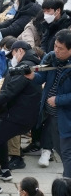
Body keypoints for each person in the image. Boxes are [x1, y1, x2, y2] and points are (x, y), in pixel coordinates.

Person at [0, 40, 42, 193]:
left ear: (19, 51)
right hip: (22, 116)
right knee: (0, 138)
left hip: (15, 116)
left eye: (12, 53)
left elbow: (10, 91)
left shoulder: (23, 67)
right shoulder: (31, 64)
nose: (11, 57)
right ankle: (5, 170)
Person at [25, 29, 71, 178]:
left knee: (66, 151)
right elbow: (41, 78)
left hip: (66, 115)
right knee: (59, 148)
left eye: (61, 48)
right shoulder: (51, 57)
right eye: (55, 46)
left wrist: (58, 100)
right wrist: (32, 76)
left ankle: (66, 181)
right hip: (49, 111)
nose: (56, 50)